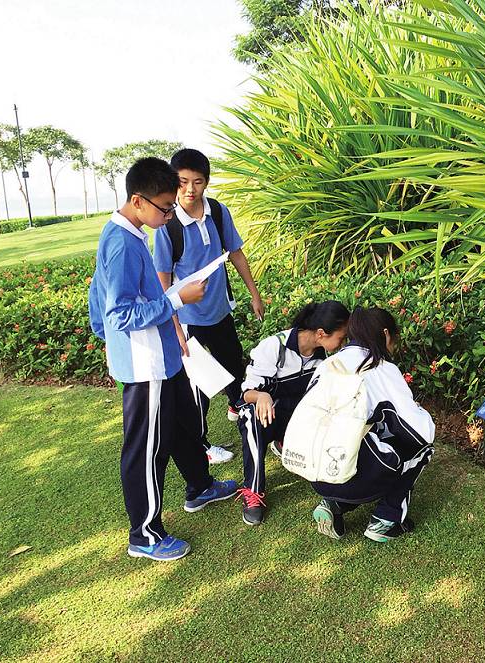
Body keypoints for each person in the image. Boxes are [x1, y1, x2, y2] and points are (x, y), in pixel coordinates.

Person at [88, 157, 237, 562]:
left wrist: (167, 321)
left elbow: (98, 301)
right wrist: (176, 300)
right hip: (145, 364)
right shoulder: (121, 242)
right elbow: (117, 314)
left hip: (163, 356)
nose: (170, 213)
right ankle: (145, 535)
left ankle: (200, 486)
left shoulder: (128, 232)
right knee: (147, 448)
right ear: (138, 201)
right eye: (165, 207)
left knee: (183, 424)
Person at [153, 148, 264, 466]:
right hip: (188, 319)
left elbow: (236, 253)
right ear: (173, 183)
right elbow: (163, 281)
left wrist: (254, 294)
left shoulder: (217, 211)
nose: (190, 189)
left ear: (206, 182)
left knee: (235, 366)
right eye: (183, 182)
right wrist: (174, 326)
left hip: (220, 310)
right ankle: (201, 444)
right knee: (197, 388)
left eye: (198, 181)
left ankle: (240, 411)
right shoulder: (167, 226)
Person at [309, 307, 435, 543]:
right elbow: (420, 431)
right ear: (385, 334)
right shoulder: (380, 367)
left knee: (362, 435)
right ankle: (386, 519)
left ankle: (334, 503)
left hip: (316, 471)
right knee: (422, 448)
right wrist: (420, 413)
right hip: (354, 473)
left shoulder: (328, 364)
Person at [236, 301, 350, 525]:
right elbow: (245, 394)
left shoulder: (325, 357)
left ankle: (287, 444)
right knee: (250, 416)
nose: (343, 342)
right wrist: (261, 396)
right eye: (341, 336)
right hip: (268, 416)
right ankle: (253, 492)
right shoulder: (274, 347)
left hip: (301, 418)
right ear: (321, 333)